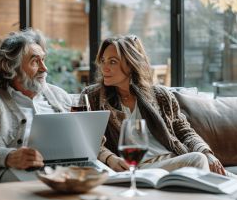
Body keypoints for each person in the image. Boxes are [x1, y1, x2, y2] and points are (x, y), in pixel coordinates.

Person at [82, 35, 233, 177]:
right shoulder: (93, 97)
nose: (104, 68)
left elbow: (184, 131)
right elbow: (84, 139)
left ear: (131, 64)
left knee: (230, 181)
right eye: (103, 60)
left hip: (173, 161)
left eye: (112, 61)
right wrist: (109, 158)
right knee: (198, 160)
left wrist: (207, 153)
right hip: (137, 167)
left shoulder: (161, 96)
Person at [0, 29, 71, 183]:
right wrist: (9, 157)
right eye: (35, 61)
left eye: (43, 60)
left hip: (63, 168)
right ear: (11, 67)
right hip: (13, 173)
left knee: (101, 177)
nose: (44, 68)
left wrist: (103, 152)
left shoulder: (61, 97)